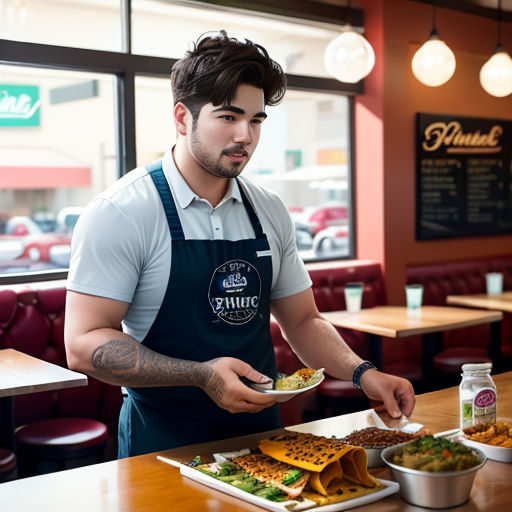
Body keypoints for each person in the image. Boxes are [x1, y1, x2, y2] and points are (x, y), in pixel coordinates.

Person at [64, 32, 415, 458]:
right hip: (162, 441)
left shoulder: (268, 208)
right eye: (228, 117)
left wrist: (364, 373)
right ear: (182, 117)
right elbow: (82, 344)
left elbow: (302, 320)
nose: (246, 135)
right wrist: (201, 375)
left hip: (263, 438)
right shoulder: (123, 212)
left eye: (257, 120)